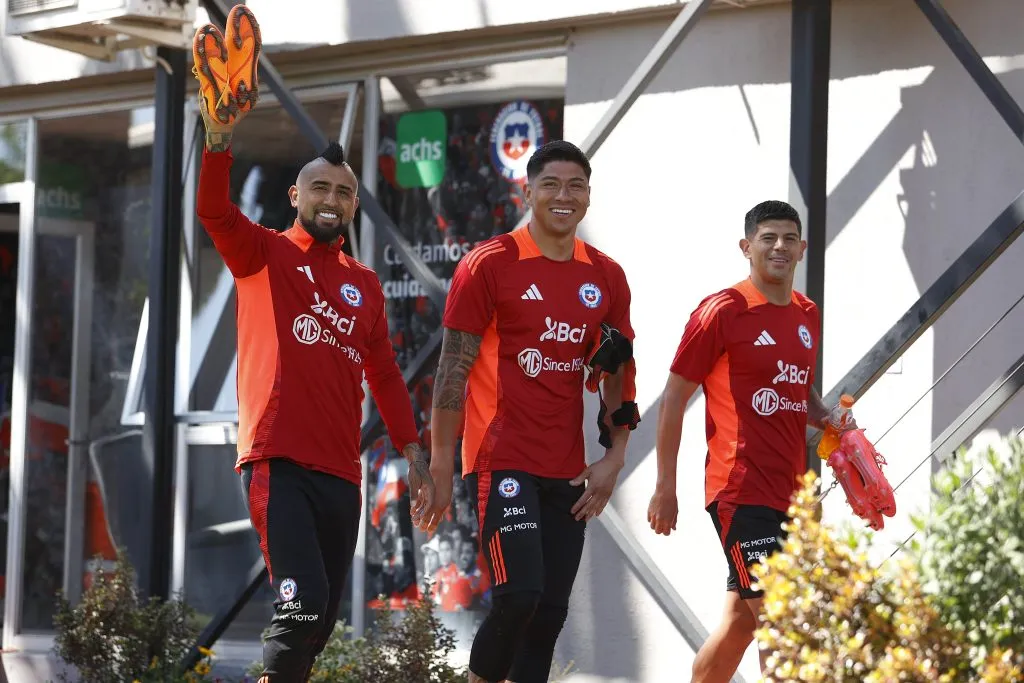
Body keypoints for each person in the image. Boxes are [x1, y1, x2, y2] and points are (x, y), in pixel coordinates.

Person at [191, 7, 434, 681]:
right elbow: (212, 210)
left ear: (354, 206)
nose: (332, 198)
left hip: (340, 472)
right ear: (296, 194)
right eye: (320, 187)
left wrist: (414, 451)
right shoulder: (263, 253)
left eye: (344, 192)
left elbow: (386, 374)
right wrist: (218, 138)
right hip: (277, 461)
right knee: (300, 609)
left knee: (317, 624)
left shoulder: (364, 284)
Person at [419, 140, 641, 683]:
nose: (564, 196)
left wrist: (614, 458)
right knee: (518, 597)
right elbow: (452, 371)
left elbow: (618, 371)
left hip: (567, 470)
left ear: (588, 196)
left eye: (575, 186)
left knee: (547, 617)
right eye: (551, 185)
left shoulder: (607, 276)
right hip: (502, 460)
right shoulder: (489, 264)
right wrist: (442, 462)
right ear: (527, 192)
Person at [646, 200, 854, 682]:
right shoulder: (722, 311)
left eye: (789, 239)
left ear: (802, 248)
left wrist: (830, 419)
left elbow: (798, 390)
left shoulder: (807, 314)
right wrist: (665, 487)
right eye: (768, 238)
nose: (779, 247)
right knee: (786, 626)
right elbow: (673, 398)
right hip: (739, 492)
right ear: (747, 247)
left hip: (793, 497)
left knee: (741, 625)